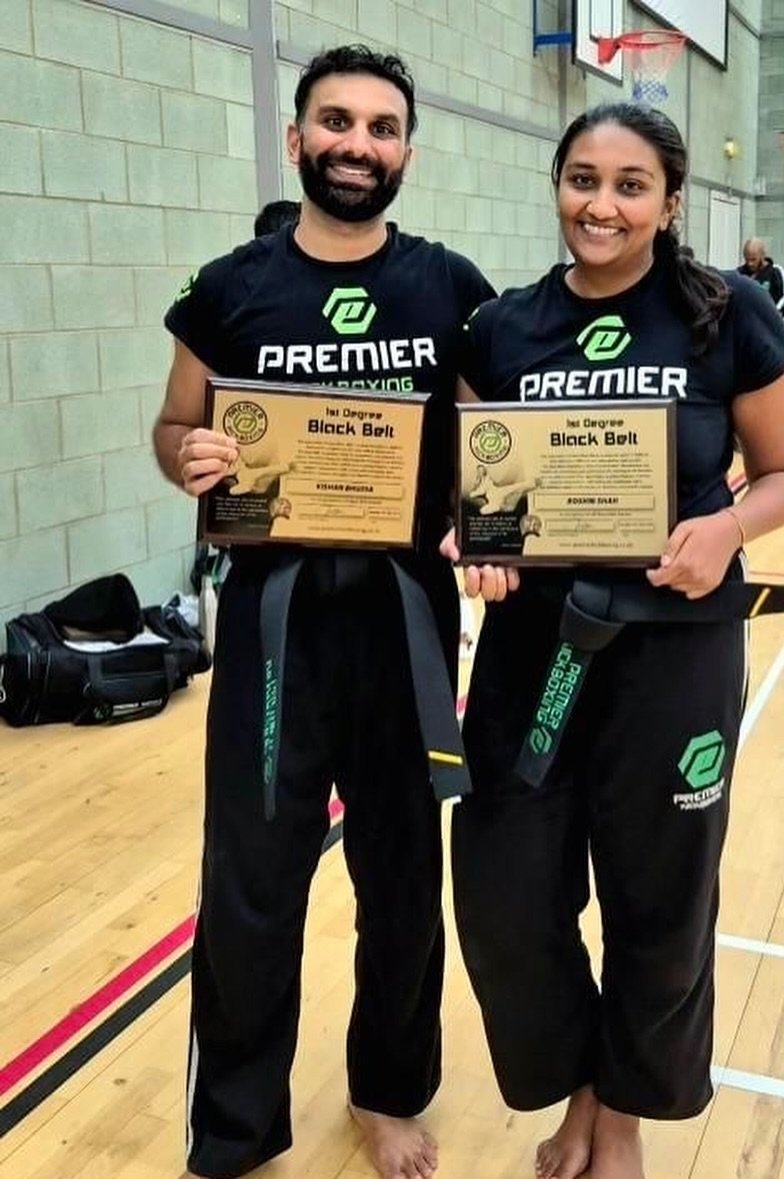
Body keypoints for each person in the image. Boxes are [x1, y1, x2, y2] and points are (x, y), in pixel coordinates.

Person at [442, 103, 784, 1179]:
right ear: (556, 186)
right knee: (510, 890)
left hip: (673, 649)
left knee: (660, 891)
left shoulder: (727, 313)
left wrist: (726, 526)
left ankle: (619, 1118)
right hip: (533, 651)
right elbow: (477, 491)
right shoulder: (500, 327)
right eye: (582, 180)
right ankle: (576, 1083)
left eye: (629, 184)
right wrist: (472, 537)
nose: (600, 205)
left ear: (668, 199)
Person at [153, 44, 493, 1179]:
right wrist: (189, 454)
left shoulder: (451, 287)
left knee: (401, 874)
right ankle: (239, 1130)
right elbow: (172, 429)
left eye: (382, 127)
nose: (358, 143)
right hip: (273, 623)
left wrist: (478, 526)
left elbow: (487, 453)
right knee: (253, 877)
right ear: (297, 139)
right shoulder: (229, 286)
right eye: (336, 122)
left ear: (406, 150)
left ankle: (388, 1093)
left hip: (403, 617)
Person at [738, 237, 784, 316]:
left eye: (753, 259)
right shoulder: (739, 274)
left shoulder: (775, 271)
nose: (750, 263)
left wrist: (773, 315)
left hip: (768, 321)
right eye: (747, 259)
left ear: (762, 255)